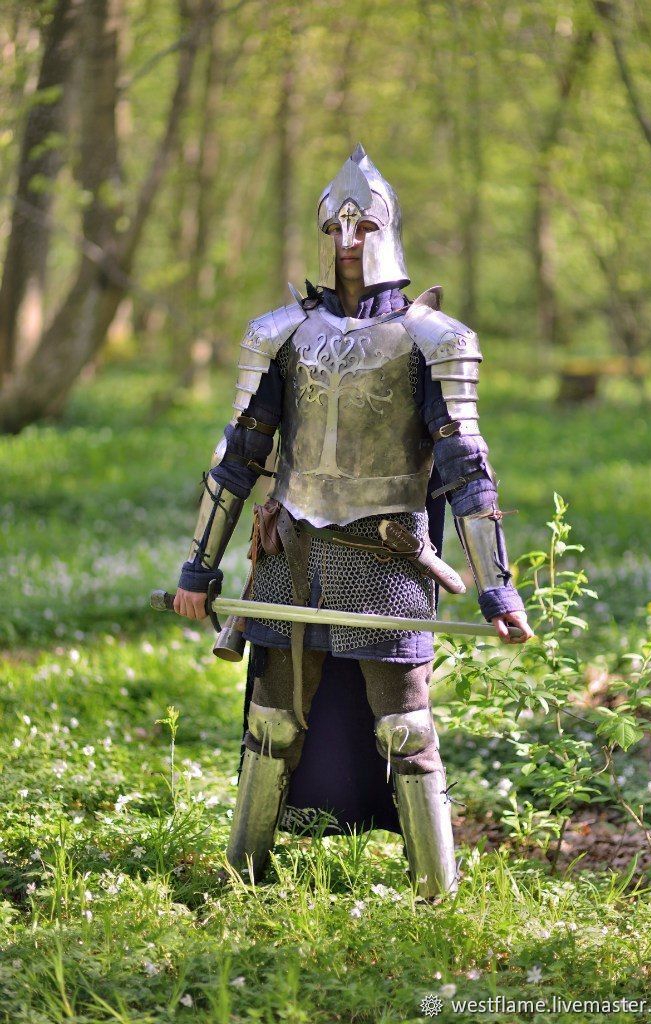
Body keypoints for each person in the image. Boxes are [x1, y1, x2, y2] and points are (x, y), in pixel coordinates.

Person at [173, 144, 533, 901]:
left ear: (387, 230)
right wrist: (198, 570)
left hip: (385, 556)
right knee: (272, 723)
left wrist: (497, 590)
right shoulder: (279, 334)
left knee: (405, 729)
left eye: (363, 224)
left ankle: (436, 894)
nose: (346, 239)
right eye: (334, 225)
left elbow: (466, 469)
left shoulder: (435, 339)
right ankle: (243, 878)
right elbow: (238, 457)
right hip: (291, 551)